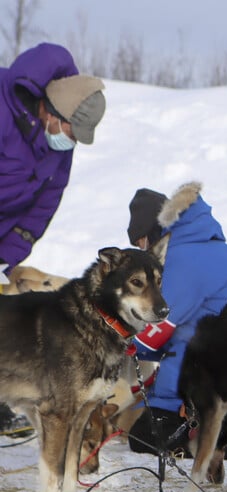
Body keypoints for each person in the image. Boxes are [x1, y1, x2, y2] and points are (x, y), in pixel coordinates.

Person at [0, 42, 106, 433]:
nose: (72, 142)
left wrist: (9, 251)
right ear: (51, 110)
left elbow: (44, 204)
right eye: (71, 131)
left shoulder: (58, 147)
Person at [125, 181, 227, 455]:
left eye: (141, 243)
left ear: (152, 233)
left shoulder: (181, 260)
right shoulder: (210, 248)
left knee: (143, 437)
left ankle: (196, 431)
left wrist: (122, 345)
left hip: (212, 372)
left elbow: (157, 325)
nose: (144, 251)